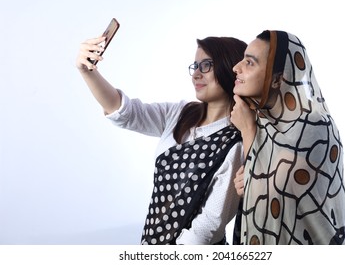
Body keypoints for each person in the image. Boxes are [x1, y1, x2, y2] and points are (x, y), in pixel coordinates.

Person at [76, 34, 247, 244]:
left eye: (206, 65)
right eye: (195, 66)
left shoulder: (235, 142)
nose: (196, 75)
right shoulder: (181, 113)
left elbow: (208, 226)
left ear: (232, 68)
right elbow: (124, 113)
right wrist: (88, 72)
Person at [230, 30, 345, 245]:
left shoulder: (315, 125)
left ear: (277, 79)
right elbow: (258, 189)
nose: (236, 68)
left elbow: (273, 191)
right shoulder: (263, 124)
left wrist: (248, 132)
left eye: (249, 63)